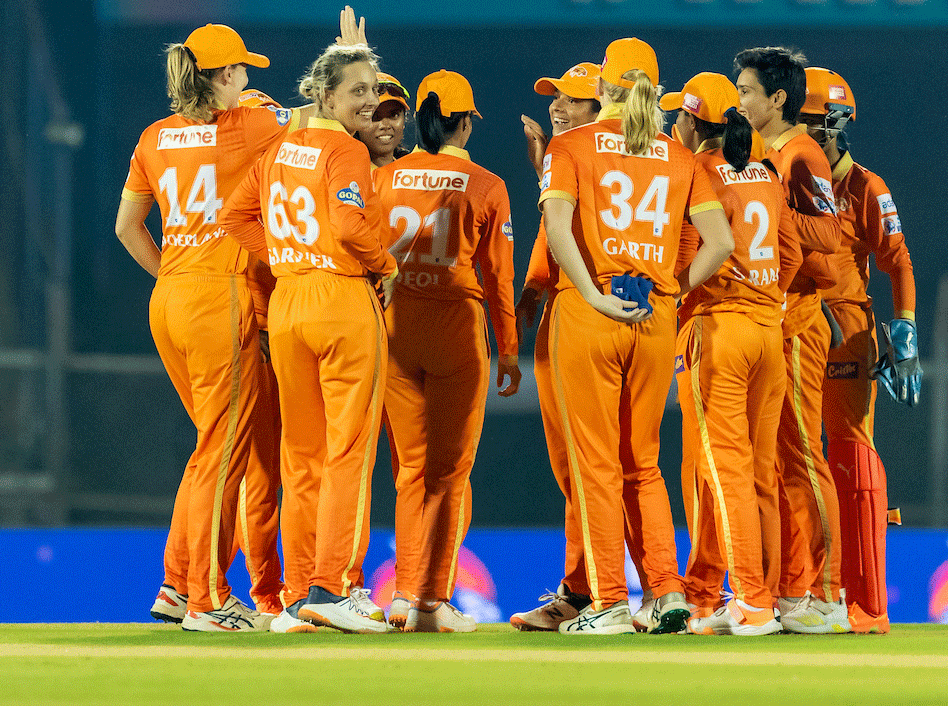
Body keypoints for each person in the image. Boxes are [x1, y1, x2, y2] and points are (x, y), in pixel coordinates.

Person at [538, 37, 734, 635]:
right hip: (654, 317)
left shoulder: (569, 145)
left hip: (592, 312)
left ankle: (608, 603)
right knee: (642, 465)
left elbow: (556, 227)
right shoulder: (678, 155)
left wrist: (594, 293)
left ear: (602, 88)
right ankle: (668, 593)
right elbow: (721, 243)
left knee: (596, 465)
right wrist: (672, 288)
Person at [116, 24, 297, 632]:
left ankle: (175, 583)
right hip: (222, 297)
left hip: (171, 297)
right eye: (241, 70)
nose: (249, 78)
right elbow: (320, 122)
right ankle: (208, 599)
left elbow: (127, 227)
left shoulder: (153, 136)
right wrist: (352, 59)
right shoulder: (251, 123)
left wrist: (171, 269)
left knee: (208, 449)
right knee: (222, 452)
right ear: (221, 77)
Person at [220, 42, 398, 634]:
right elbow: (350, 225)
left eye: (374, 92)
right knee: (349, 451)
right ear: (324, 94)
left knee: (301, 457)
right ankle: (335, 585)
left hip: (290, 300)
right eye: (359, 92)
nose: (371, 103)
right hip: (342, 301)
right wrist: (385, 266)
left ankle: (297, 595)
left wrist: (288, 256)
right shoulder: (344, 149)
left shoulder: (280, 146)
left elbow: (235, 216)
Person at [509, 63, 655, 632]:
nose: (556, 107)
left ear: (604, 106)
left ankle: (614, 592)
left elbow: (584, 234)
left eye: (571, 99)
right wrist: (531, 293)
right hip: (573, 310)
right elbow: (561, 231)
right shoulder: (570, 155)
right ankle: (583, 587)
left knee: (603, 465)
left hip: (595, 311)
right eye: (554, 96)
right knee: (577, 467)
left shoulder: (590, 153)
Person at [374, 70, 520, 633]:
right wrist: (508, 347)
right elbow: (498, 276)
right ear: (463, 122)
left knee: (409, 471)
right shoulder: (486, 184)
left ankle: (405, 595)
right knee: (450, 474)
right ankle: (432, 600)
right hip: (456, 329)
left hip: (397, 328)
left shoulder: (386, 177)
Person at [661, 73, 803, 635]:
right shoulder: (764, 170)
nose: (673, 122)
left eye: (679, 115)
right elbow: (789, 252)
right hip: (770, 329)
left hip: (719, 328)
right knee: (760, 473)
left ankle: (748, 598)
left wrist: (673, 294)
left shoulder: (694, 169)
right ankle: (767, 595)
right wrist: (766, 297)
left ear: (694, 121)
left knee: (725, 471)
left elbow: (692, 249)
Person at [799, 66, 921, 634]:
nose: (802, 133)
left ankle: (865, 601)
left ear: (839, 124)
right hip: (791, 327)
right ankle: (794, 592)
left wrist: (906, 333)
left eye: (812, 124)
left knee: (849, 454)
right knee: (789, 459)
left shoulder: (866, 188)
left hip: (845, 333)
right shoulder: (784, 174)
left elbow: (897, 261)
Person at [734, 46, 848, 633]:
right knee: (774, 463)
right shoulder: (760, 150)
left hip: (799, 322)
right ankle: (788, 589)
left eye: (748, 90)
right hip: (767, 320)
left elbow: (828, 234)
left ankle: (828, 594)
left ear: (779, 99)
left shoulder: (801, 154)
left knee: (803, 456)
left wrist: (774, 208)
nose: (740, 100)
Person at [360, 72, 411, 169]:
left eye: (394, 115)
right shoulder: (345, 172)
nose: (385, 125)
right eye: (374, 116)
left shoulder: (415, 172)